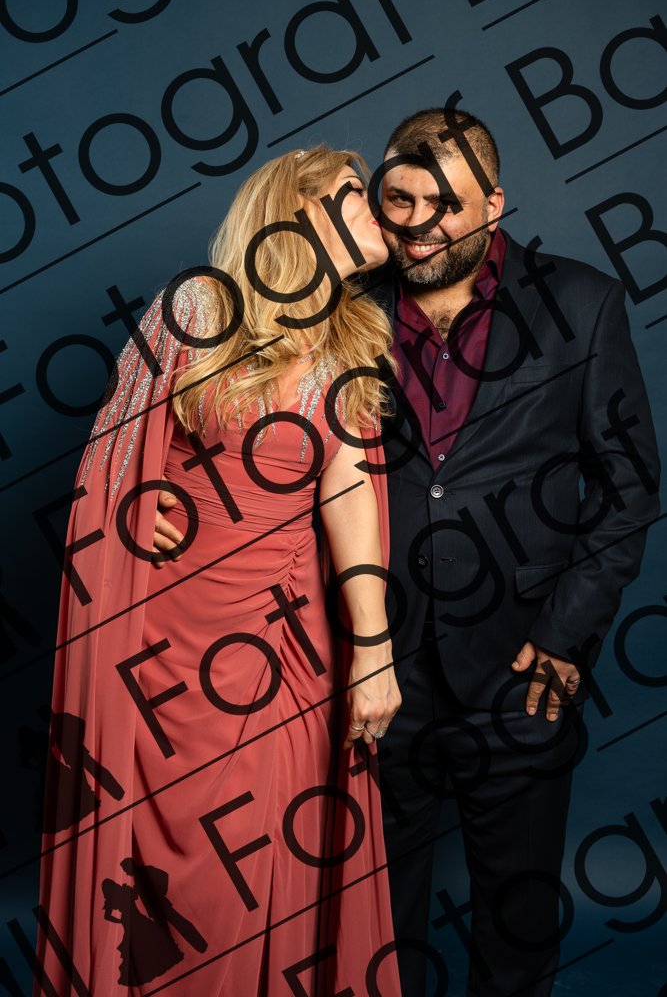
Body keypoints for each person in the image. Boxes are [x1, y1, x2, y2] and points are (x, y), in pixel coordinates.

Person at [153, 111, 660, 996]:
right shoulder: (339, 307)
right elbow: (235, 405)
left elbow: (629, 485)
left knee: (516, 930)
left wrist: (562, 636)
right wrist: (159, 487)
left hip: (520, 668)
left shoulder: (582, 304)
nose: (421, 224)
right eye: (402, 201)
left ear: (493, 205)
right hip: (369, 672)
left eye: (447, 205)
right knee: (373, 929)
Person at [35, 146, 403, 996]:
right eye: (355, 191)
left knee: (267, 863)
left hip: (284, 654)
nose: (377, 205)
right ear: (299, 209)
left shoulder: (352, 338)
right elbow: (110, 460)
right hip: (161, 649)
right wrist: (139, 503)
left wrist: (374, 651)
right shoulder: (195, 306)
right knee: (158, 877)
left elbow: (351, 497)